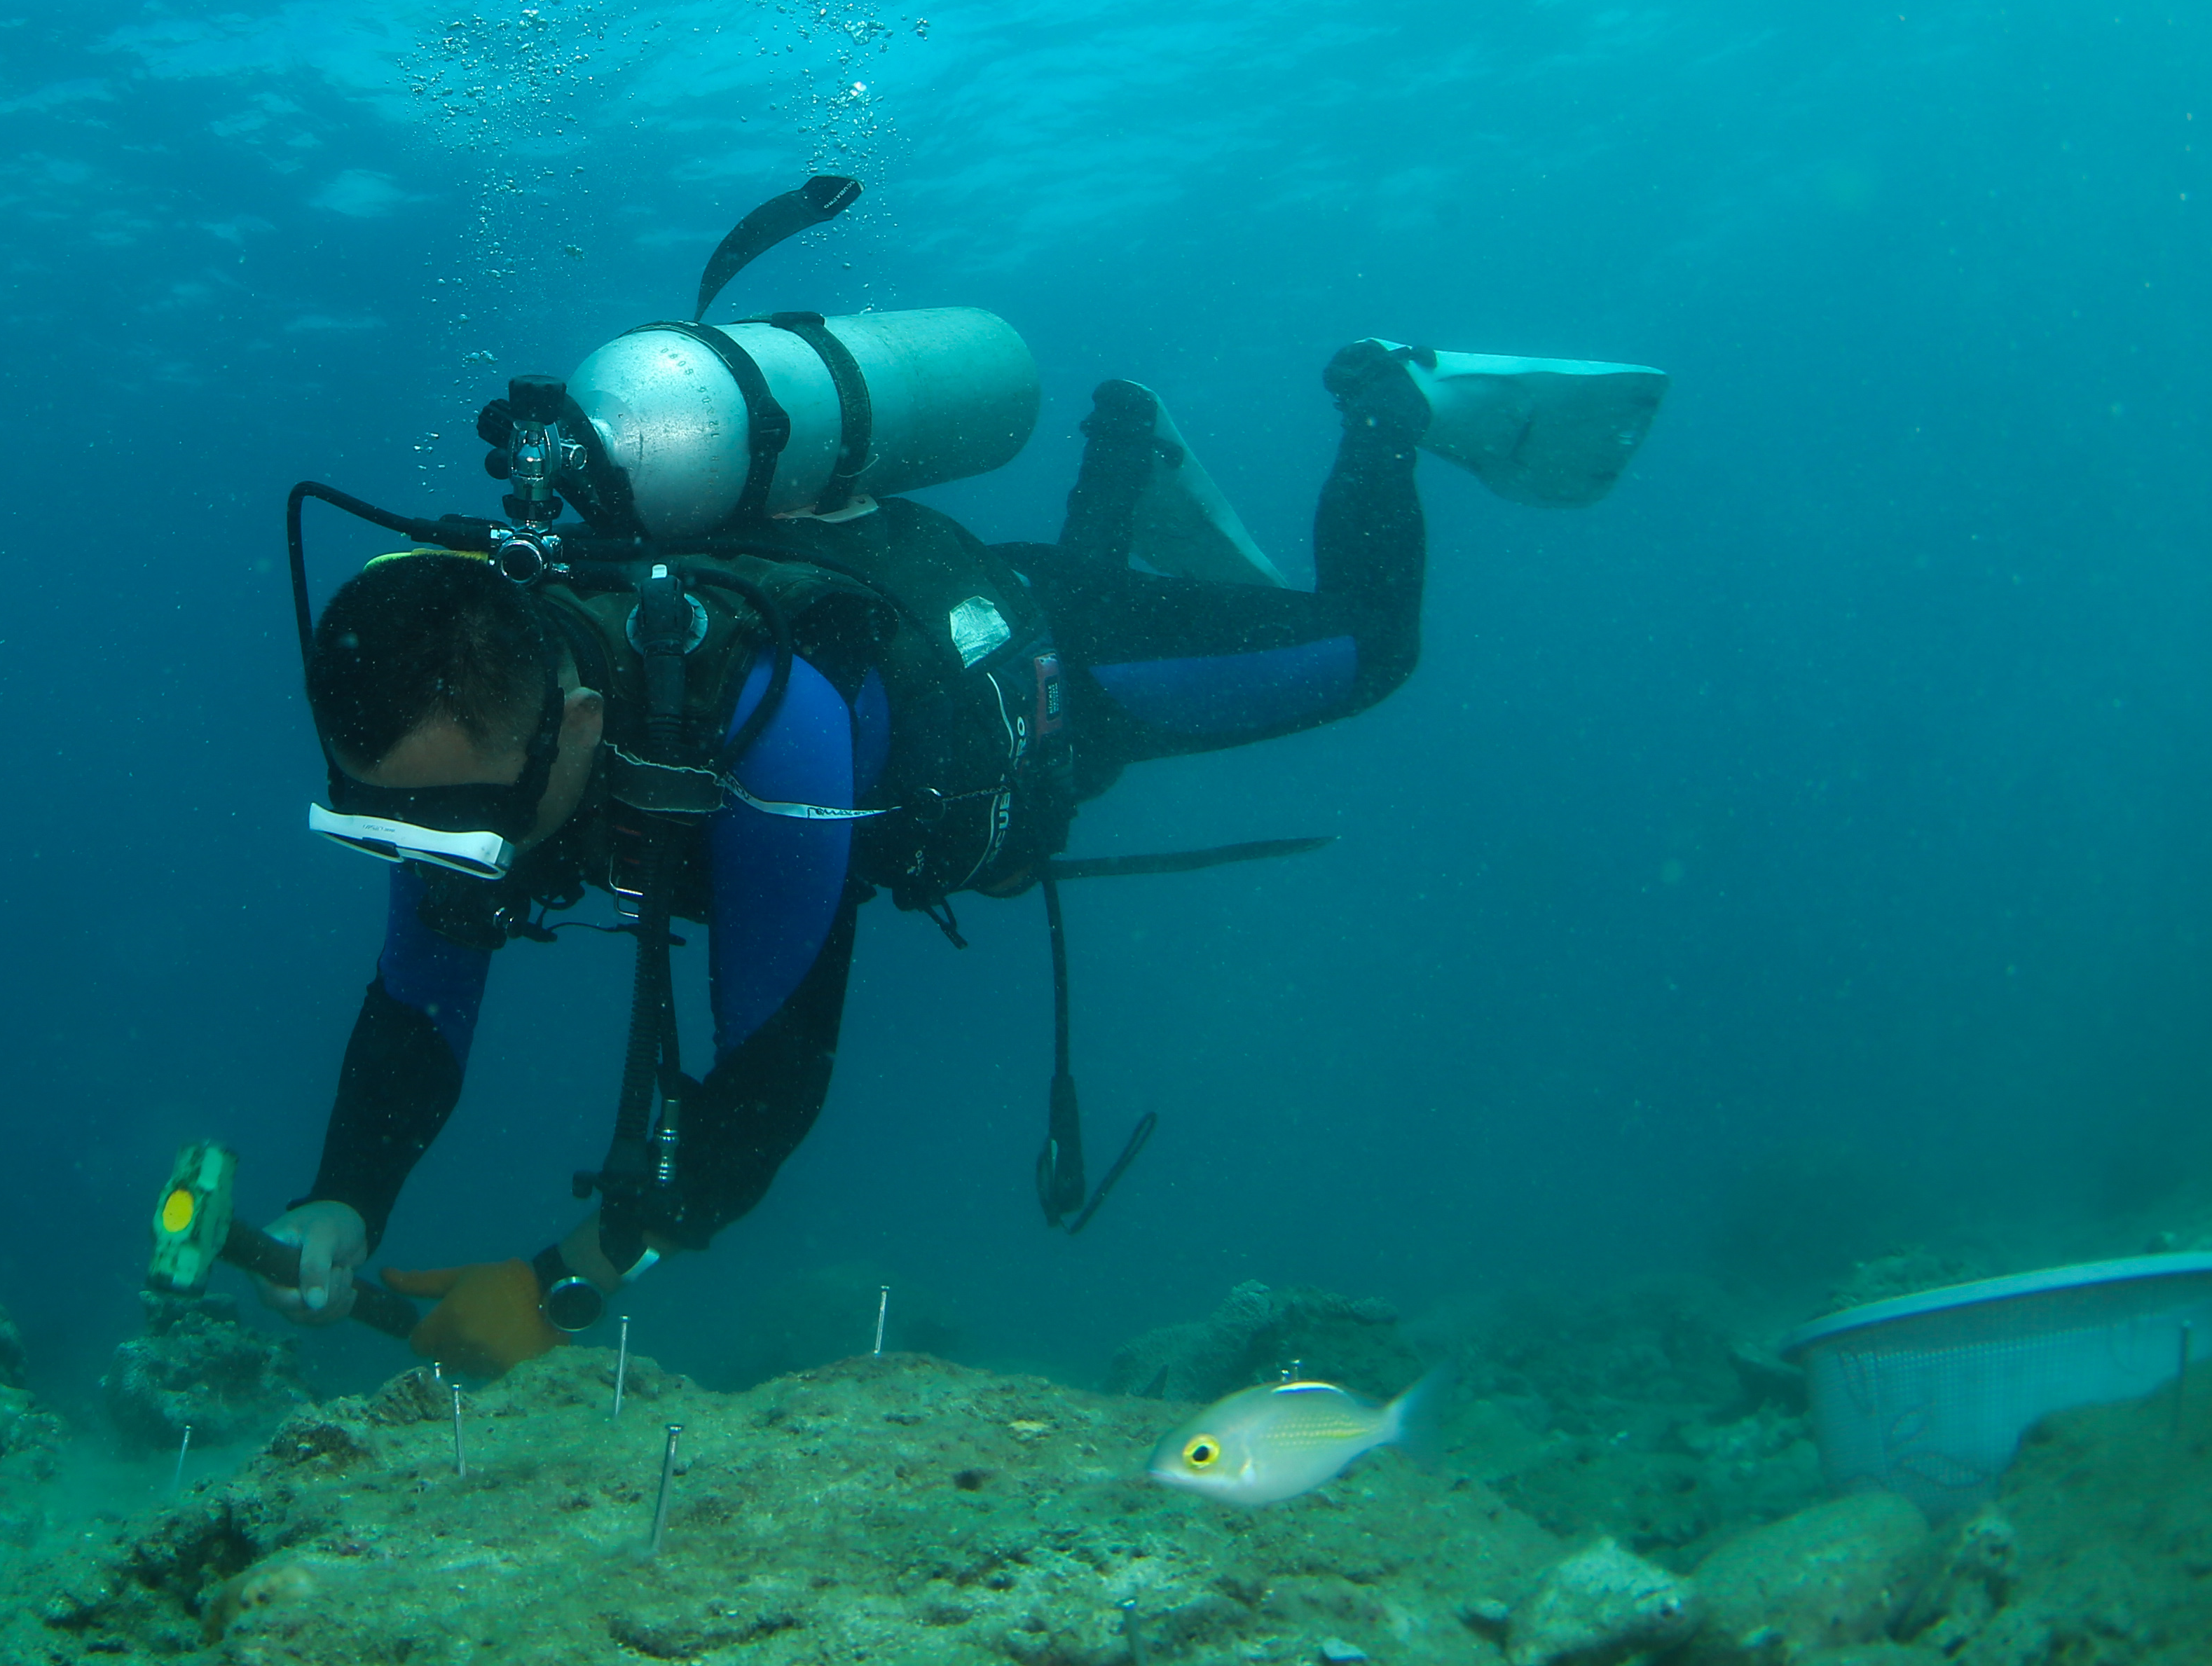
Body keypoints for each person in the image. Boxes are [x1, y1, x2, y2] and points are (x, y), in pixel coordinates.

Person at [263, 341, 1448, 1378]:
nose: (445, 863)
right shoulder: (461, 751)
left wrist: (560, 1282)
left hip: (1045, 672)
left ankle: (1387, 405)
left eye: (467, 826)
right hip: (914, 675)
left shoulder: (768, 721)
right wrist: (345, 1198)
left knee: (1366, 653)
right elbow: (418, 1005)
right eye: (392, 829)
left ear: (577, 720)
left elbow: (774, 1084)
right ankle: (1124, 452)